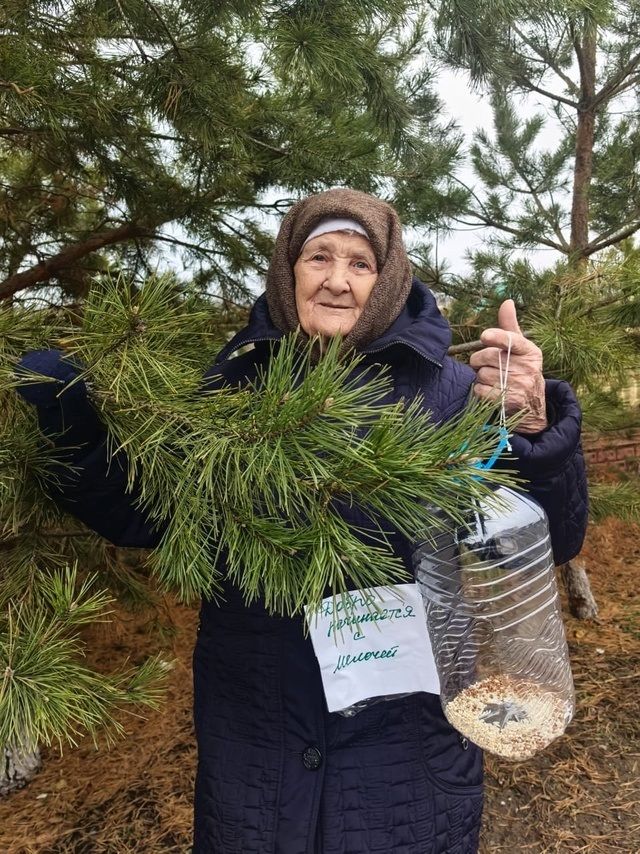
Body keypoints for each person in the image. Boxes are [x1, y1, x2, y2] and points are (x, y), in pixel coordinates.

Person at [16, 189, 588, 854]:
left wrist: (534, 431)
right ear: (290, 269)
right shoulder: (232, 387)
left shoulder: (451, 392)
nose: (338, 281)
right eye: (319, 256)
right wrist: (76, 433)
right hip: (258, 755)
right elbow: (148, 514)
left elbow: (551, 536)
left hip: (405, 767)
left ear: (388, 277)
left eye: (360, 262)